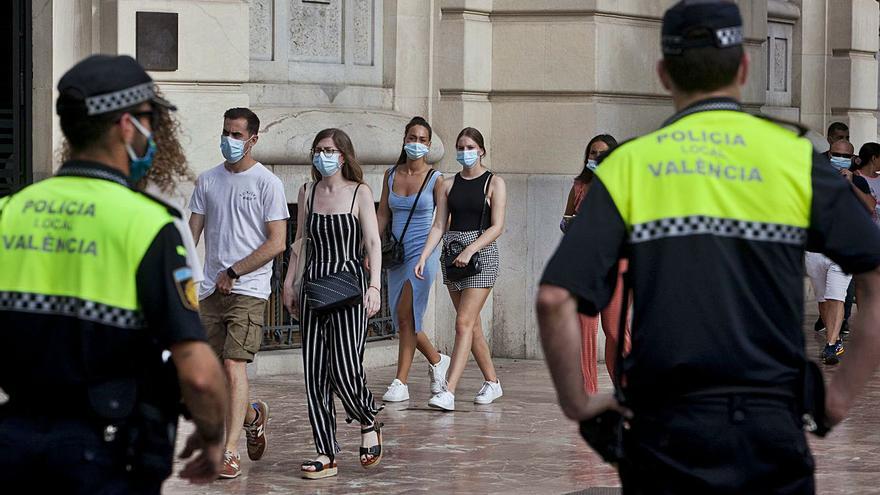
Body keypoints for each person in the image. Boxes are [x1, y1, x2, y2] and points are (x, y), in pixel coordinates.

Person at [536, 2, 880, 493]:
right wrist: (838, 398)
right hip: (770, 428)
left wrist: (580, 404)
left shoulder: (630, 166)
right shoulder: (791, 157)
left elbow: (553, 298)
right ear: (742, 67)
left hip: (666, 430)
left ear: (663, 73)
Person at [0, 54, 227, 493]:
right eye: (149, 120)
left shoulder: (10, 212)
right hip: (104, 455)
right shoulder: (147, 225)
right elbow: (197, 372)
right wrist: (213, 433)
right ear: (127, 124)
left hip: (13, 447)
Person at [188, 107, 289, 478]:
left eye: (236, 135)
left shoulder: (267, 183)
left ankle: (228, 451)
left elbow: (277, 242)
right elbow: (191, 234)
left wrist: (236, 270)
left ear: (253, 140)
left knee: (234, 365)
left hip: (248, 288)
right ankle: (251, 415)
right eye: (225, 132)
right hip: (211, 290)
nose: (229, 141)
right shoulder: (207, 181)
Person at [281, 128, 384, 479]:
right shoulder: (307, 191)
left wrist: (374, 287)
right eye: (317, 149)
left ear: (343, 155)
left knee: (344, 367)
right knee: (315, 373)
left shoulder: (360, 192)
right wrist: (289, 283)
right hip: (313, 288)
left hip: (348, 289)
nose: (322, 155)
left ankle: (368, 417)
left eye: (328, 149)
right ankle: (326, 451)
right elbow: (300, 241)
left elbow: (372, 242)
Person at [415, 127, 507, 411]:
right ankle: (492, 382)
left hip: (480, 255)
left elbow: (497, 226)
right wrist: (424, 255)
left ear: (481, 150)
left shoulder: (494, 182)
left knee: (463, 323)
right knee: (472, 325)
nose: (464, 152)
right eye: (460, 147)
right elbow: (440, 224)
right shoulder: (447, 184)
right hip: (452, 255)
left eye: (470, 147)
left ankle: (448, 390)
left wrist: (471, 249)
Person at [377, 117, 450, 403]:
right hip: (396, 255)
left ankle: (401, 381)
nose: (416, 144)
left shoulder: (436, 179)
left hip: (423, 253)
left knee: (407, 314)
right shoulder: (391, 174)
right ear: (404, 140)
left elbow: (439, 223)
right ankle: (436, 359)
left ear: (429, 145)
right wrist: (370, 245)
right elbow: (383, 212)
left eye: (422, 140)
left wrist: (424, 256)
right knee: (401, 317)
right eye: (412, 138)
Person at [561, 135, 631, 394]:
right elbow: (566, 221)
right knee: (585, 330)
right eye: (593, 153)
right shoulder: (579, 186)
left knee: (614, 330)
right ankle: (587, 389)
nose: (597, 158)